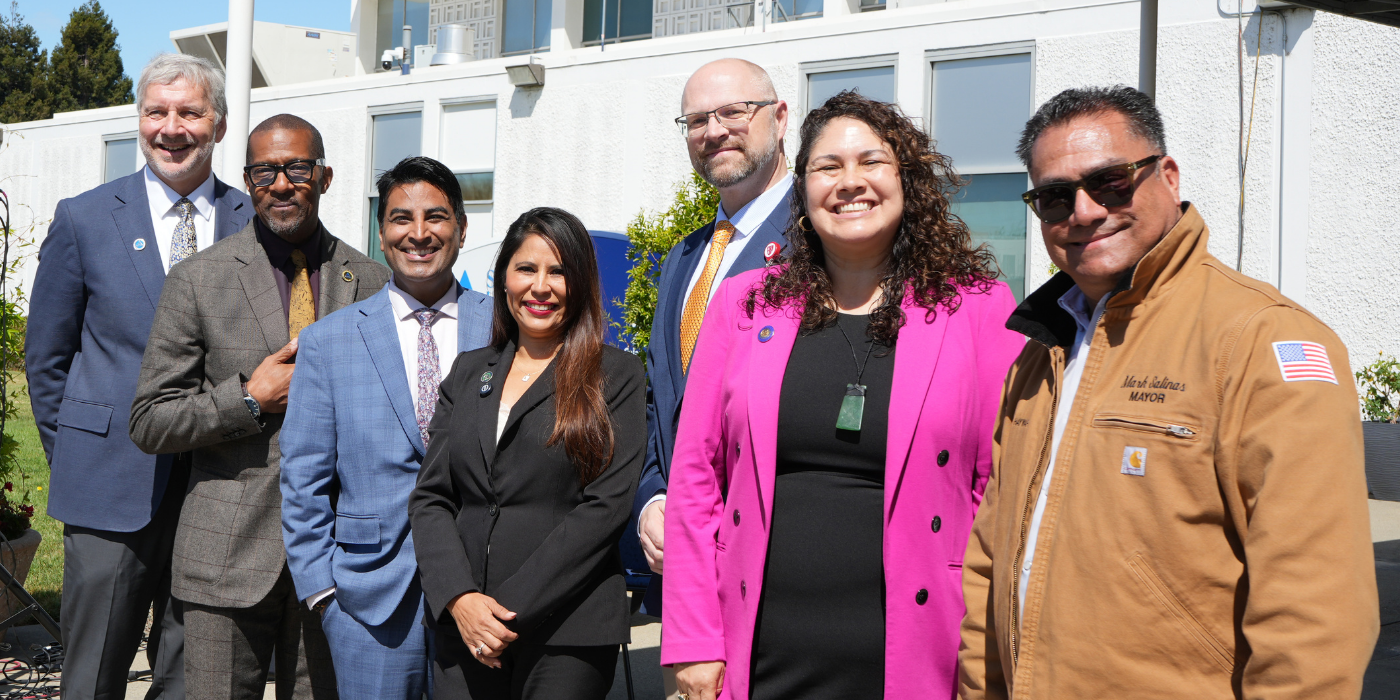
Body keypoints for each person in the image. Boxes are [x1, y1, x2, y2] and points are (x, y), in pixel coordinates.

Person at [958, 86, 1379, 699]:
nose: (1083, 211)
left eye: (1110, 181)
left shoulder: (1262, 339)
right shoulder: (1040, 351)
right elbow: (990, 564)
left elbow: (1315, 607)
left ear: (1169, 175)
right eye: (1054, 197)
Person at [661, 91, 1025, 700]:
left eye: (871, 162)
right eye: (828, 167)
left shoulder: (978, 308)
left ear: (906, 179)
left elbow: (1002, 492)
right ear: (802, 190)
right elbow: (697, 479)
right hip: (760, 647)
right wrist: (694, 641)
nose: (850, 182)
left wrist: (986, 644)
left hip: (924, 647)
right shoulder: (746, 305)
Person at [130, 113, 390, 700]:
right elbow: (150, 418)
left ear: (324, 177)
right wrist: (248, 397)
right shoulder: (199, 281)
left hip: (337, 560)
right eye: (264, 171)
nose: (281, 183)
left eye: (296, 167)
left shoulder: (372, 282)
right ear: (247, 181)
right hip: (225, 561)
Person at [24, 52, 251, 700]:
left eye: (189, 112)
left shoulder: (254, 224)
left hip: (217, 490)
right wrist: (72, 454)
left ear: (219, 124)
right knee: (92, 674)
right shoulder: (84, 218)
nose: (172, 128)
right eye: (158, 112)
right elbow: (47, 360)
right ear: (139, 120)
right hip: (106, 484)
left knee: (191, 678)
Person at [408, 207, 645, 699]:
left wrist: (501, 610)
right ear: (503, 280)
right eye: (526, 269)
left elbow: (606, 508)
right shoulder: (469, 372)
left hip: (568, 634)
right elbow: (432, 497)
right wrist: (460, 599)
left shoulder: (616, 375)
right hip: (466, 630)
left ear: (580, 283)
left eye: (558, 271)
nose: (541, 287)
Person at [279, 156, 494, 698]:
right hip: (366, 601)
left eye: (436, 217)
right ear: (381, 233)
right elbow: (302, 477)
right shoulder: (328, 342)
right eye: (401, 219)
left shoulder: (500, 327)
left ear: (462, 230)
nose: (418, 234)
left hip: (481, 590)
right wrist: (321, 591)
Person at [633, 57, 793, 631]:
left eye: (733, 111)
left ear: (779, 116)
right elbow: (658, 398)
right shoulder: (685, 256)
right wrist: (653, 499)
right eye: (697, 119)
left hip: (779, 564)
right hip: (684, 569)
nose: (714, 130)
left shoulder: (820, 243)